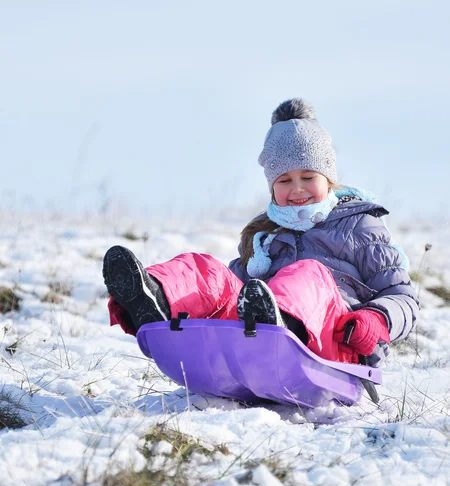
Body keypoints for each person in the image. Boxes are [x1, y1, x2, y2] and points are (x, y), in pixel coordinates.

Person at [103, 98, 419, 367]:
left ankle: (280, 329)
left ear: (328, 177)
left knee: (306, 273)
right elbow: (231, 291)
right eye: (284, 181)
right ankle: (153, 301)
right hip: (253, 341)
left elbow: (403, 297)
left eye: (308, 177)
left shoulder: (359, 225)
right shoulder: (265, 234)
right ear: (271, 186)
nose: (297, 190)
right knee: (211, 272)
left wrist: (377, 319)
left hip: (335, 345)